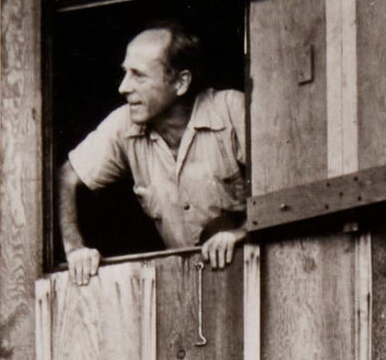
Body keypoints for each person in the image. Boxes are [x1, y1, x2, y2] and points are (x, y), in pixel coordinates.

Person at [57, 20, 248, 286]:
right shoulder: (123, 123)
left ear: (181, 82)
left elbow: (283, 184)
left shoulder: (232, 110)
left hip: (251, 273)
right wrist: (75, 248)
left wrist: (244, 232)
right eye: (125, 73)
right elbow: (68, 176)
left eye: (139, 75)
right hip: (186, 286)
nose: (123, 87)